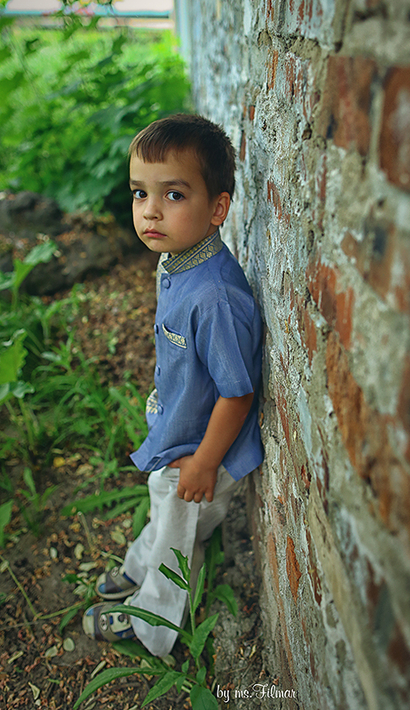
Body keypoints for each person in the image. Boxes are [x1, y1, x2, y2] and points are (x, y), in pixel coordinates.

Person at [82, 114, 263, 656]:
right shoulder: (177, 260)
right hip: (177, 430)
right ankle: (138, 567)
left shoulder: (214, 298)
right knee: (163, 509)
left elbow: (238, 392)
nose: (150, 211)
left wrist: (206, 461)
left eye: (174, 195)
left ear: (218, 209)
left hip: (201, 450)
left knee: (177, 539)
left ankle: (153, 625)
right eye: (140, 193)